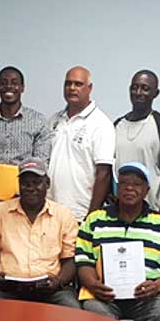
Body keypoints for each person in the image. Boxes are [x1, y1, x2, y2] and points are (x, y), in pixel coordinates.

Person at [76, 162, 160, 321]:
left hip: (148, 297)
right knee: (94, 309)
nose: (130, 188)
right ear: (117, 189)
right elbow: (84, 262)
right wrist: (93, 284)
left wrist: (156, 286)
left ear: (147, 190)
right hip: (106, 295)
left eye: (137, 184)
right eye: (124, 184)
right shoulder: (95, 220)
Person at [0, 158, 80, 308]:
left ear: (47, 184)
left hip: (50, 289)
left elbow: (70, 259)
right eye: (25, 183)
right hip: (7, 288)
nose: (31, 188)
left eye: (37, 182)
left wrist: (58, 282)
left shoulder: (63, 214)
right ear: (19, 185)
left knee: (72, 308)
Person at [0, 66, 52, 209]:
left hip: (26, 203)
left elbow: (41, 163)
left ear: (22, 87)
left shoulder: (38, 122)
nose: (9, 86)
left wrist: (22, 196)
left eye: (14, 82)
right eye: (4, 82)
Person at [48, 66, 115, 221]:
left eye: (78, 84)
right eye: (68, 84)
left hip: (79, 214)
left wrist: (91, 217)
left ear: (89, 88)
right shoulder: (54, 120)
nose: (72, 88)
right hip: (50, 211)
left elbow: (103, 174)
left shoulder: (101, 123)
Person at [113, 70, 160, 216]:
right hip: (119, 213)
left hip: (152, 213)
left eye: (145, 88)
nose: (138, 92)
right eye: (134, 87)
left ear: (156, 93)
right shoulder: (117, 125)